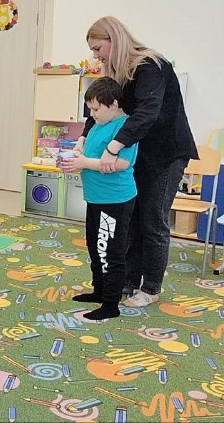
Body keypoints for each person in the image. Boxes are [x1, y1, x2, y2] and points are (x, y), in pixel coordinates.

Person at [78, 16, 198, 308]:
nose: (96, 56)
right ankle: (128, 281)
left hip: (166, 154)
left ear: (114, 39)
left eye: (98, 48)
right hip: (137, 153)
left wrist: (113, 147)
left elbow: (147, 113)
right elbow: (100, 108)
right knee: (130, 220)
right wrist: (83, 137)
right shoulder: (116, 72)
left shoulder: (150, 66)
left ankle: (151, 287)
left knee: (152, 222)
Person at [61, 77, 137, 321]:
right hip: (96, 198)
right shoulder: (98, 124)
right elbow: (90, 153)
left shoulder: (124, 128)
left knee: (110, 251)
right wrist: (77, 155)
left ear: (113, 104)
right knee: (95, 247)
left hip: (114, 200)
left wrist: (84, 163)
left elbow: (122, 163)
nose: (91, 115)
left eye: (95, 109)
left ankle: (111, 304)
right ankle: (100, 291)